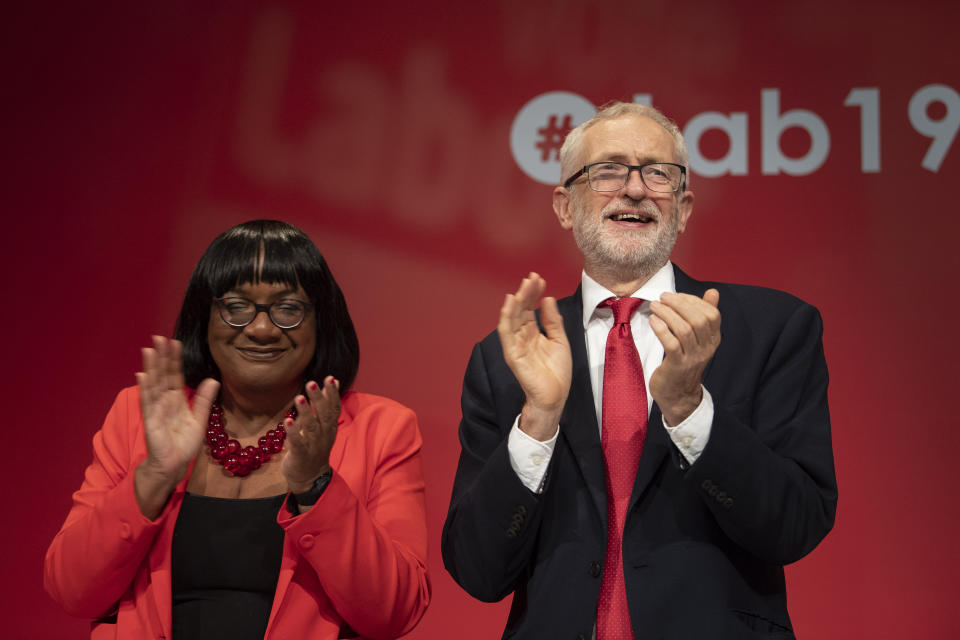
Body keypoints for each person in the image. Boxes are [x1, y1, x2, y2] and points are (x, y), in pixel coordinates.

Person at [441, 102, 837, 639]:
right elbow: (478, 571)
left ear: (684, 205)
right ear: (564, 205)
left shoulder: (771, 329)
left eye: (658, 173)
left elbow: (797, 525)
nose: (633, 189)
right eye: (607, 171)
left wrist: (690, 411)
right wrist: (537, 420)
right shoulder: (508, 355)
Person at [45, 220, 430, 639]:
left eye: (287, 308)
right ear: (205, 316)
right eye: (236, 306)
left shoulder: (382, 429)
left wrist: (316, 485)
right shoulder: (137, 415)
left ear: (320, 321)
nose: (261, 329)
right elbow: (72, 591)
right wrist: (154, 475)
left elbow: (394, 612)